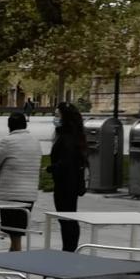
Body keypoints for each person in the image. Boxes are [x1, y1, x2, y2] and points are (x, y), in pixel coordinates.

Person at [0, 112, 40, 251]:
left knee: (13, 232)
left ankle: (16, 257)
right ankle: (14, 253)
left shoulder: (8, 141)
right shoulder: (35, 141)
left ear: (9, 126)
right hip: (29, 194)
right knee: (18, 231)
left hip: (10, 194)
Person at [48, 102, 88, 251]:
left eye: (57, 115)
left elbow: (65, 162)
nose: (55, 118)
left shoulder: (66, 138)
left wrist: (50, 168)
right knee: (68, 217)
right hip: (70, 182)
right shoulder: (74, 135)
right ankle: (69, 247)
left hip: (66, 183)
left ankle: (69, 249)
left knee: (67, 218)